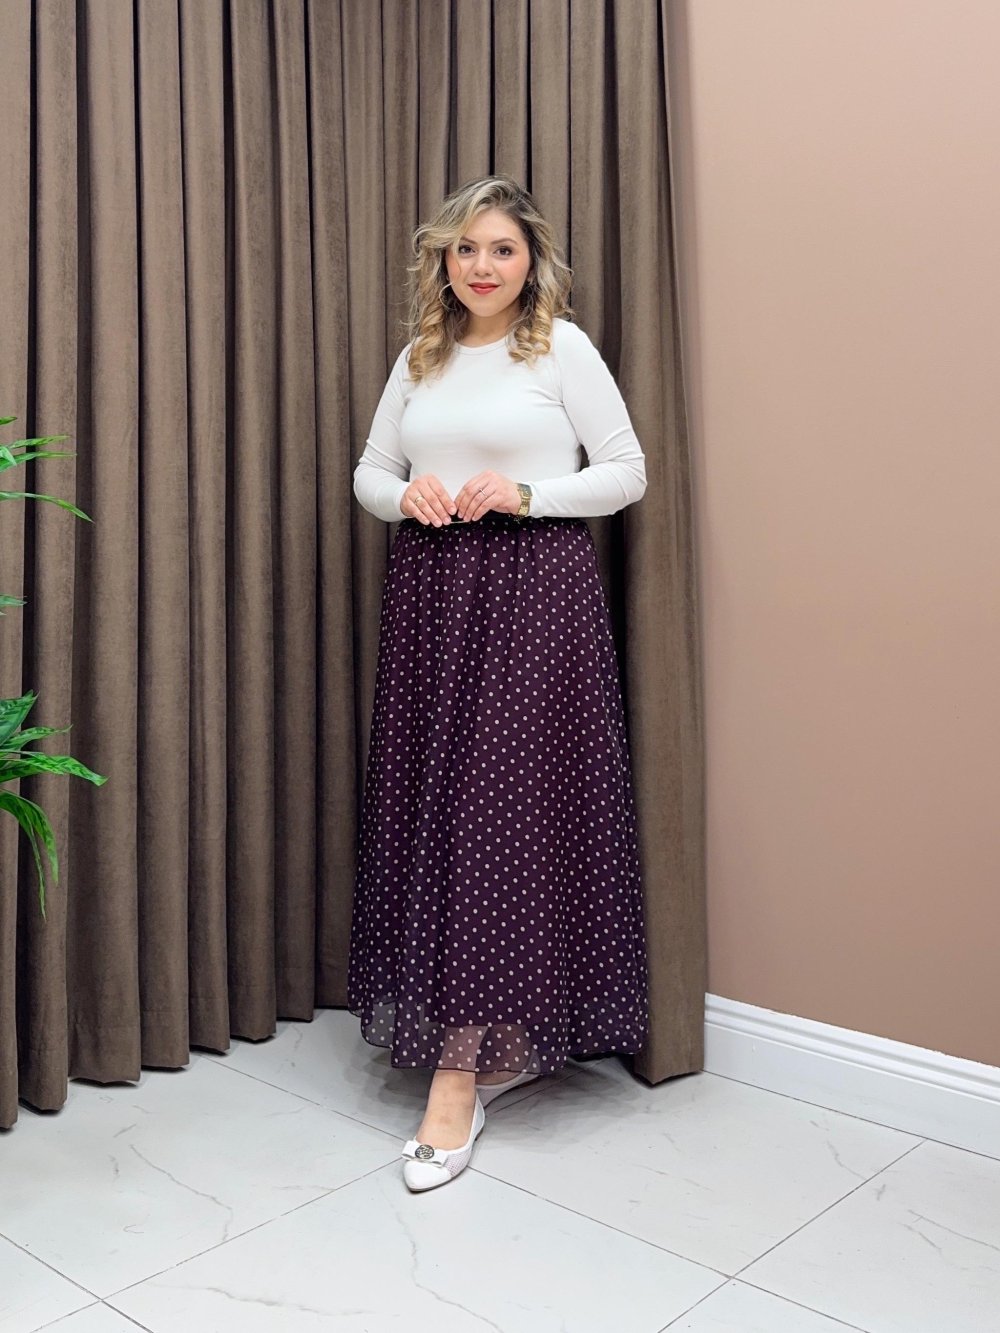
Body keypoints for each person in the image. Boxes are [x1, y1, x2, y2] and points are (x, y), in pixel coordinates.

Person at [349, 174, 649, 1192]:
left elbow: (626, 470)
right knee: (438, 812)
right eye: (466, 248)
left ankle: (457, 1075)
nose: (482, 266)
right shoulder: (419, 358)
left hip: (535, 597)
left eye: (502, 249)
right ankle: (487, 1038)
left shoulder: (560, 350)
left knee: (500, 815)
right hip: (432, 598)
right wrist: (406, 497)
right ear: (444, 259)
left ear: (531, 263)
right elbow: (369, 473)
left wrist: (525, 492)